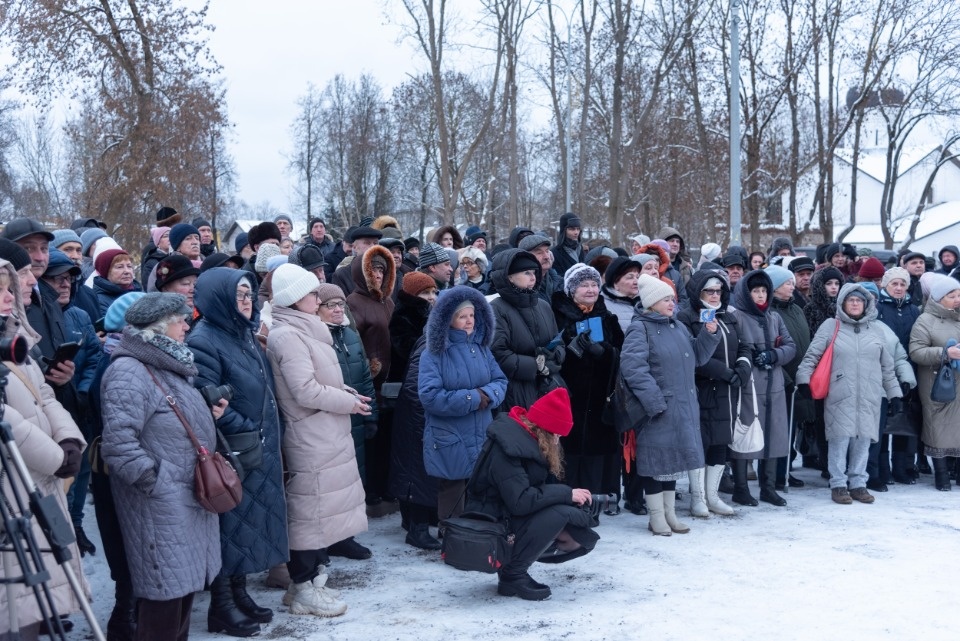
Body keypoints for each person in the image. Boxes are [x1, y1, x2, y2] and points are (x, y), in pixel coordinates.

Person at [100, 293, 223, 641]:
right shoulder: (129, 370)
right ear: (158, 327)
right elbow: (119, 444)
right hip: (160, 501)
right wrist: (157, 482)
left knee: (180, 592)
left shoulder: (167, 364)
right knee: (163, 596)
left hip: (184, 495)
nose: (187, 325)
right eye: (180, 320)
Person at [186, 268, 288, 636]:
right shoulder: (204, 339)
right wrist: (246, 427)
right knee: (229, 527)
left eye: (250, 295)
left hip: (256, 446)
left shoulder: (243, 333)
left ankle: (240, 594)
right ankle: (222, 606)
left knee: (247, 527)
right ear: (221, 299)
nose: (247, 302)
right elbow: (209, 399)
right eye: (239, 296)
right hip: (233, 449)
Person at [266, 264, 369, 617]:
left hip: (324, 430)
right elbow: (304, 390)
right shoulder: (288, 336)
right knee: (309, 514)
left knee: (320, 511)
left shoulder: (306, 329)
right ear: (296, 298)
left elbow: (319, 379)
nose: (318, 296)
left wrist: (346, 391)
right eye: (312, 292)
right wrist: (347, 403)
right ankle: (304, 586)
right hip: (310, 434)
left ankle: (305, 584)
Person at [0, 259, 90, 641]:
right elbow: (5, 418)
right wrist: (55, 458)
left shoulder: (15, 336)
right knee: (14, 604)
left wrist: (70, 440)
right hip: (13, 485)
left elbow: (45, 396)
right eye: (0, 288)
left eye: (8, 287)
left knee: (39, 600)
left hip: (39, 483)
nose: (8, 295)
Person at [466, 388, 600, 601]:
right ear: (545, 430)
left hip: (507, 517)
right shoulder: (508, 448)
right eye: (556, 435)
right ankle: (513, 574)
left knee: (573, 524)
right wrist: (567, 494)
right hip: (492, 522)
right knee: (560, 514)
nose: (558, 441)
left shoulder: (525, 442)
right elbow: (520, 501)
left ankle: (514, 568)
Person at [620, 274, 720, 535]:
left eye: (672, 299)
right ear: (652, 302)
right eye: (665, 299)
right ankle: (656, 516)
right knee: (656, 463)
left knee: (673, 461)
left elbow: (697, 357)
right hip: (657, 409)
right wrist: (654, 401)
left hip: (682, 406)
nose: (671, 303)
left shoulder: (678, 326)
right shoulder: (639, 328)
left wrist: (709, 334)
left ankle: (670, 515)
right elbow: (633, 368)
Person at [797, 284, 901, 504]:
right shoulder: (831, 326)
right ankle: (838, 484)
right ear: (843, 302)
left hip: (870, 394)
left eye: (859, 300)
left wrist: (895, 394)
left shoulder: (876, 329)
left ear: (867, 304)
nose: (855, 303)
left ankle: (858, 484)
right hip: (839, 393)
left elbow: (887, 367)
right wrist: (803, 381)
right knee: (839, 439)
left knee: (864, 439)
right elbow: (811, 356)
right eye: (850, 300)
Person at [419, 286, 507, 520]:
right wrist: (473, 398)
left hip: (481, 430)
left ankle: (476, 539)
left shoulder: (480, 348)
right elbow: (430, 396)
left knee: (480, 487)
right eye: (462, 316)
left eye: (472, 315)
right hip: (450, 434)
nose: (469, 321)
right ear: (448, 319)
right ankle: (452, 540)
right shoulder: (434, 353)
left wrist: (489, 394)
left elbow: (500, 380)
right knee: (453, 488)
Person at [677, 270, 750, 517]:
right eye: (710, 291)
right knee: (701, 444)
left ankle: (713, 495)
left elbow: (745, 345)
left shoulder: (729, 316)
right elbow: (691, 353)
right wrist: (722, 372)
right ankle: (697, 497)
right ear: (698, 292)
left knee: (720, 443)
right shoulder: (687, 317)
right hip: (703, 389)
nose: (715, 295)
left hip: (728, 392)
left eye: (719, 290)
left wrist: (742, 367)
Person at [551, 264, 625, 504]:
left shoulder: (606, 316)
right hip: (568, 396)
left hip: (599, 400)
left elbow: (620, 351)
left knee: (595, 454)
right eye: (584, 284)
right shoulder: (557, 314)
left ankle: (592, 504)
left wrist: (602, 351)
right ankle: (567, 502)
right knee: (567, 454)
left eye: (594, 284)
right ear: (572, 289)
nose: (591, 289)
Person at [317, 282, 377, 560]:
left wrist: (371, 414)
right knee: (331, 482)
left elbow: (365, 376)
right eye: (331, 305)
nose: (338, 310)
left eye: (341, 304)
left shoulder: (350, 335)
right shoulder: (316, 338)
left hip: (356, 418)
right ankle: (326, 539)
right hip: (329, 422)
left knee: (353, 480)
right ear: (317, 309)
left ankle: (345, 536)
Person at [731, 270, 796, 507]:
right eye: (755, 291)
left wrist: (773, 354)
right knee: (745, 436)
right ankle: (741, 488)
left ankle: (767, 488)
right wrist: (749, 356)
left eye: (763, 291)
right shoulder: (736, 316)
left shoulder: (774, 317)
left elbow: (790, 346)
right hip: (749, 385)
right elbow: (731, 347)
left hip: (774, 385)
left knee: (773, 436)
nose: (760, 295)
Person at [488, 249, 565, 411]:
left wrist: (554, 355)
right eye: (526, 273)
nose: (533, 277)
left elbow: (558, 341)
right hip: (517, 393)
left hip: (548, 388)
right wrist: (534, 365)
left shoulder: (543, 305)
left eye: (534, 273)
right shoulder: (496, 309)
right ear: (509, 277)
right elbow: (498, 354)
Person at [909, 274, 960, 491]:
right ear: (939, 298)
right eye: (952, 295)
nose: (957, 299)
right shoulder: (925, 320)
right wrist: (945, 353)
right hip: (937, 383)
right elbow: (916, 351)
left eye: (959, 294)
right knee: (937, 427)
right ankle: (941, 475)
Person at [874, 267, 922, 484]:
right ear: (885, 285)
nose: (899, 288)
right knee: (883, 422)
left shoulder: (914, 311)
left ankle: (903, 468)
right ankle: (883, 469)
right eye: (895, 284)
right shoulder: (877, 308)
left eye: (903, 284)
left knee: (904, 420)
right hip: (882, 371)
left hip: (908, 370)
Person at [92, 245, 142, 316]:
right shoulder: (98, 300)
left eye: (129, 266)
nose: (127, 271)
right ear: (106, 272)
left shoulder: (139, 292)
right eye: (119, 267)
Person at [601, 257, 641, 332]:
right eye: (630, 277)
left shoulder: (644, 301)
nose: (636, 282)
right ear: (615, 283)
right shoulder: (602, 306)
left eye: (637, 277)